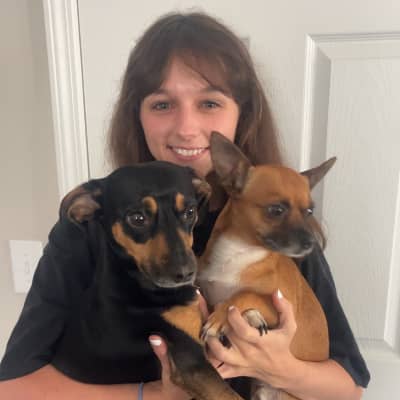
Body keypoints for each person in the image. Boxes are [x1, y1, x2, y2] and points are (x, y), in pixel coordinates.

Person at [0, 11, 369, 400]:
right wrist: (154, 396)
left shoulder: (277, 229)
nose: (187, 128)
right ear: (137, 115)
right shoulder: (88, 227)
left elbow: (349, 390)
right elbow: (13, 388)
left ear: (242, 115)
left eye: (209, 103)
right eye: (162, 105)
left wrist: (283, 370)